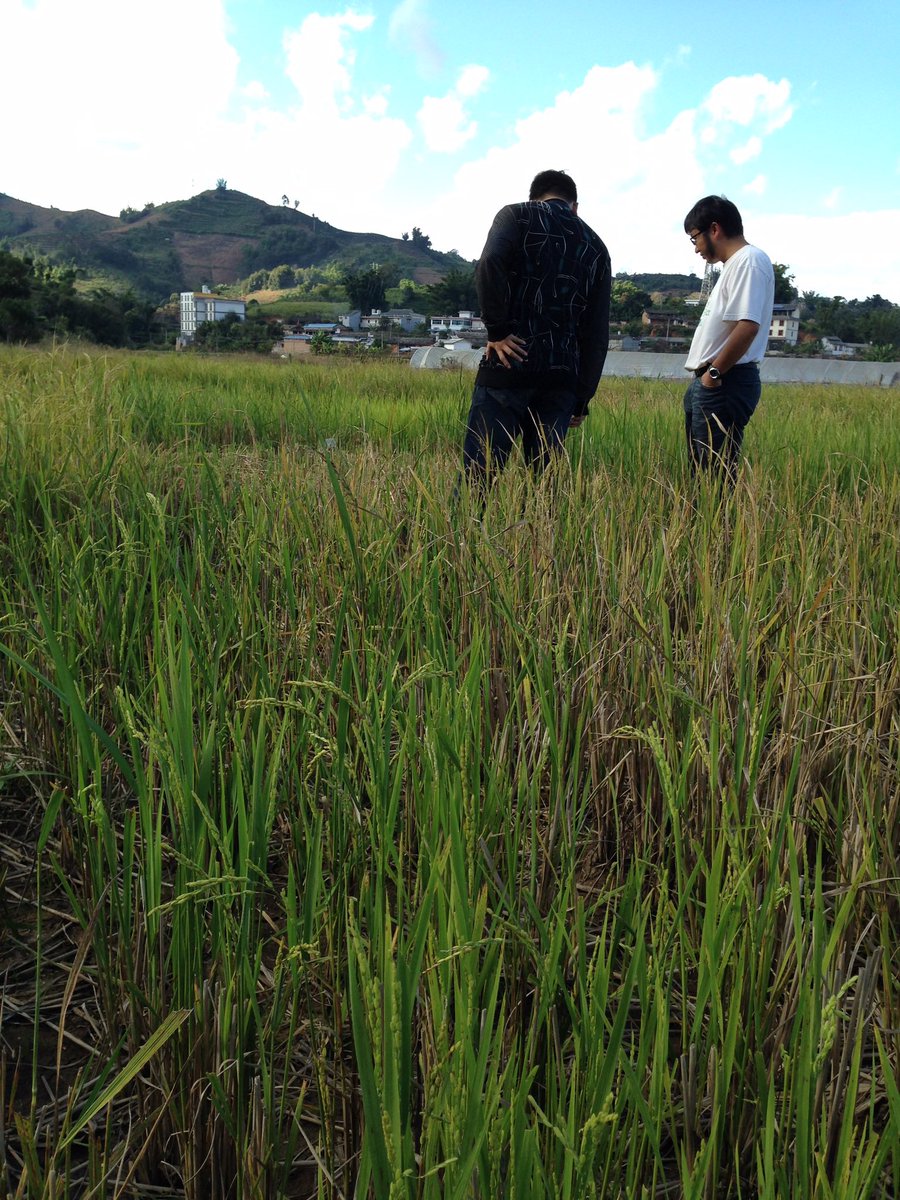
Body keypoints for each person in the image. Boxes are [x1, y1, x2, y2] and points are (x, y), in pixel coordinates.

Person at [461, 169, 611, 490]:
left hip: (508, 365)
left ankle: (467, 525)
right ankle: (540, 526)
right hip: (561, 381)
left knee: (478, 479)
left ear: (534, 197)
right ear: (575, 206)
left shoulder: (515, 215)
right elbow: (597, 332)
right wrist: (582, 398)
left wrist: (497, 331)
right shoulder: (596, 246)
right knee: (544, 488)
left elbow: (489, 262)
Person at [682, 195, 775, 481]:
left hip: (725, 381)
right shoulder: (735, 264)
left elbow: (747, 326)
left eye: (695, 238)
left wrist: (713, 374)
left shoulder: (749, 262)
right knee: (702, 472)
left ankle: (716, 515)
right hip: (715, 380)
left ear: (714, 229)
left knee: (714, 478)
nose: (696, 248)